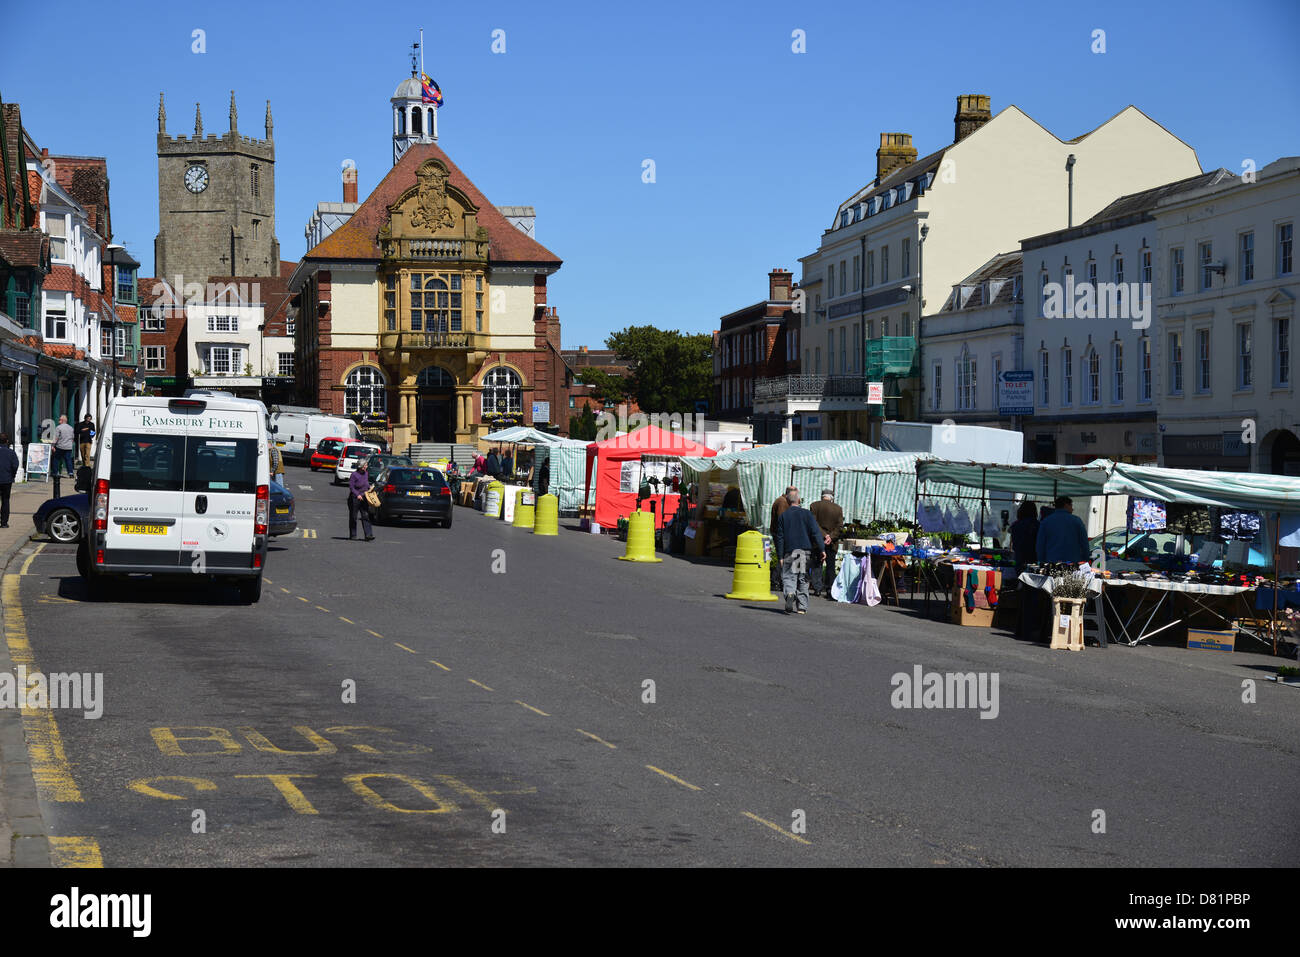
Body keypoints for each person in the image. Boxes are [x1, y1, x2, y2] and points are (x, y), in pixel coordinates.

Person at [774, 489, 824, 614]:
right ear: (799, 500)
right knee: (802, 578)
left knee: (789, 576)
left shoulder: (783, 516)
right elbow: (815, 532)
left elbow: (779, 537)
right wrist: (822, 549)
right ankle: (801, 607)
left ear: (787, 501)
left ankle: (790, 593)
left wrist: (780, 555)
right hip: (804, 551)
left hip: (790, 551)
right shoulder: (807, 514)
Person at [808, 488, 844, 598]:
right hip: (832, 543)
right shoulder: (838, 509)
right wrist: (830, 537)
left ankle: (817, 588)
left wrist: (824, 535)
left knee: (817, 564)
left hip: (817, 541)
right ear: (831, 497)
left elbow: (813, 523)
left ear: (822, 496)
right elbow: (840, 527)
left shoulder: (814, 506)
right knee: (830, 566)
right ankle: (829, 589)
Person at [1036, 495, 1089, 563]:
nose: (1072, 509)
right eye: (1071, 506)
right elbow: (1084, 543)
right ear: (1066, 505)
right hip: (1073, 563)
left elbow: (1040, 545)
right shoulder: (1077, 521)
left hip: (1052, 562)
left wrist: (1041, 560)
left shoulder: (1046, 522)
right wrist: (1086, 559)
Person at [769, 485, 798, 587]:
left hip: (780, 533)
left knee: (783, 556)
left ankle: (778, 580)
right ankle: (775, 580)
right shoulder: (782, 502)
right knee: (782, 556)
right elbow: (782, 519)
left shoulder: (783, 501)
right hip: (780, 534)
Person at [347, 460, 375, 541]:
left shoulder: (366, 473)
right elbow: (351, 487)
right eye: (365, 465)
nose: (366, 466)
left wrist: (370, 488)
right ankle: (353, 535)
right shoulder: (354, 475)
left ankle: (368, 535)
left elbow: (365, 483)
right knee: (353, 517)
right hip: (354, 498)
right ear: (361, 467)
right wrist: (357, 494)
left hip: (364, 497)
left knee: (365, 516)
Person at [1009, 500, 1040, 572]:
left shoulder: (1015, 524)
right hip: (1033, 558)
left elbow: (1014, 542)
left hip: (1019, 558)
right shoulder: (1037, 524)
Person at [0, 434, 20, 529]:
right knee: (5, 500)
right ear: (7, 441)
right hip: (6, 480)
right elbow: (15, 465)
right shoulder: (11, 453)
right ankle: (4, 523)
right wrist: (13, 475)